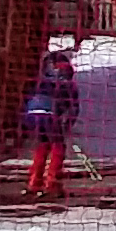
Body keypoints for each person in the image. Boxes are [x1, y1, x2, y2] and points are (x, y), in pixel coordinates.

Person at [19, 40, 79, 200]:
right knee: (58, 147)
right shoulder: (68, 84)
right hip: (49, 114)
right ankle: (51, 184)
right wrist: (67, 125)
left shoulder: (41, 80)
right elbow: (73, 108)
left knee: (42, 145)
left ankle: (34, 182)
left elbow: (27, 98)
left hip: (31, 114)